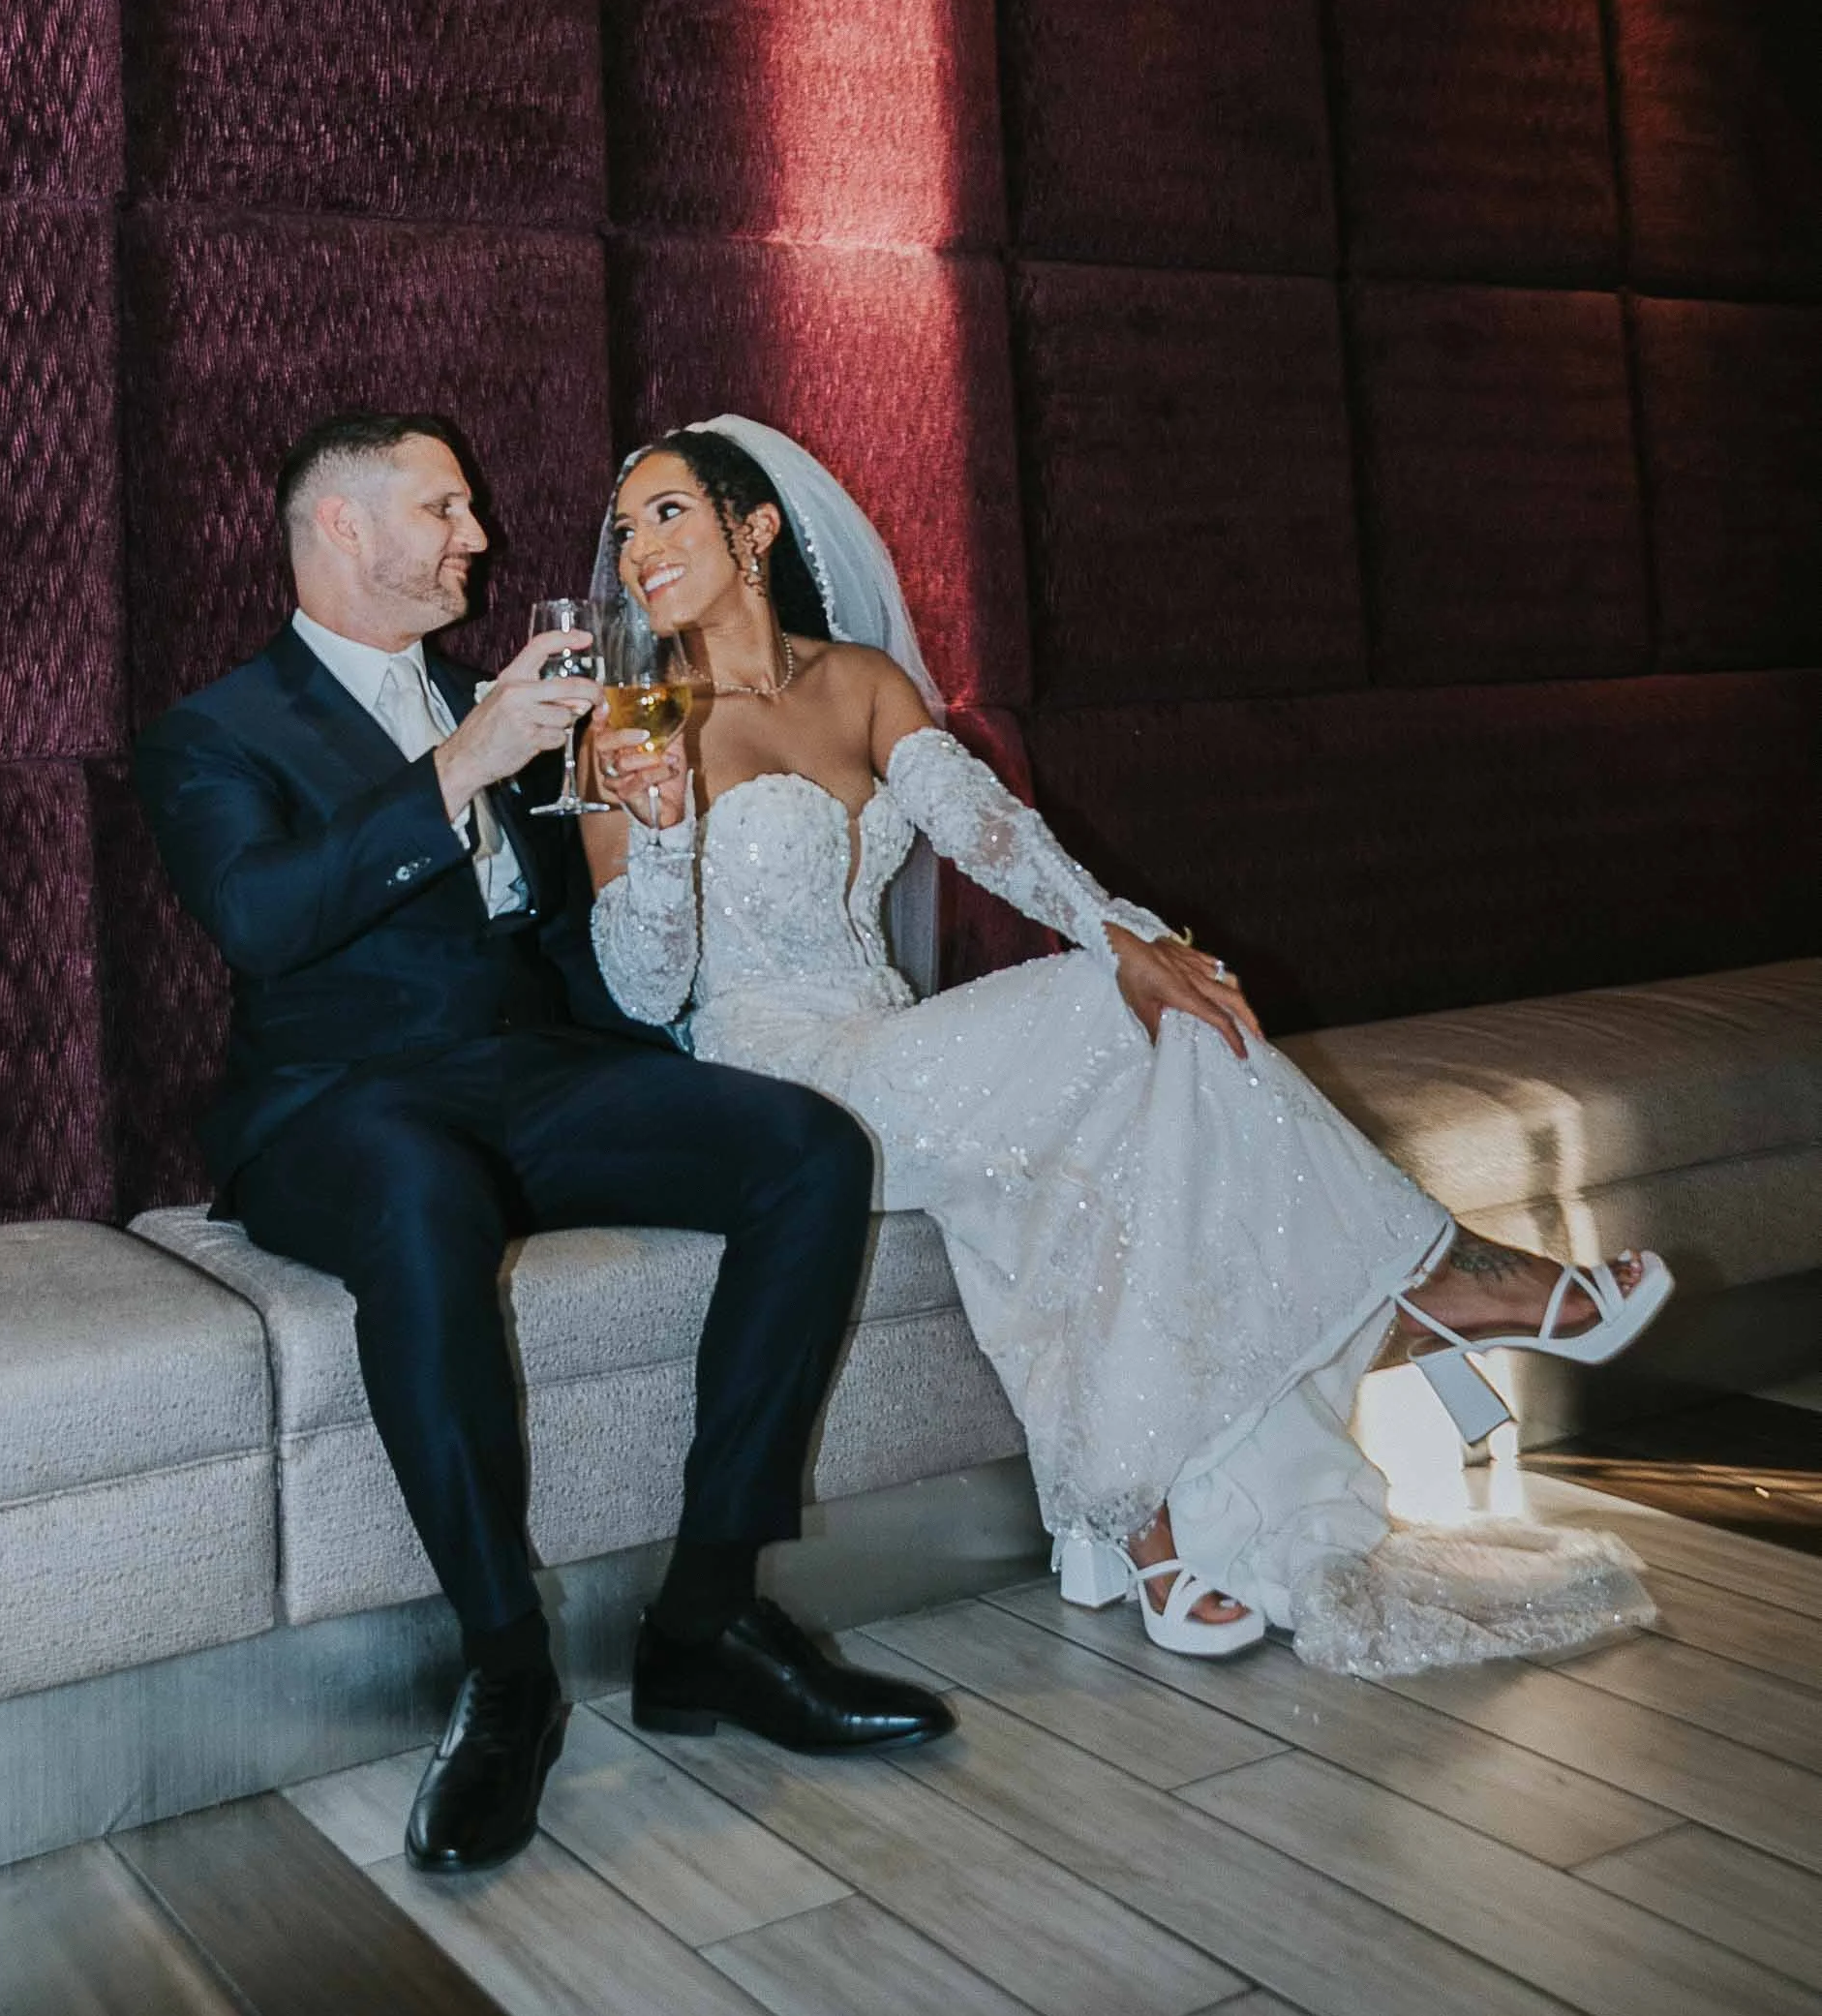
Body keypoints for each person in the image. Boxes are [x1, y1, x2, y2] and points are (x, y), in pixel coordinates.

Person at [581, 416, 1667, 1676]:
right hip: (772, 1079)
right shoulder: (631, 724)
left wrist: (1130, 940)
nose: (637, 549)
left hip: (891, 1037)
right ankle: (1431, 1276)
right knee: (1119, 1011)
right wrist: (660, 828)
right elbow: (641, 989)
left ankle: (1151, 1532)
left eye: (667, 513)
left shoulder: (860, 684)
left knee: (1152, 1061)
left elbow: (989, 831)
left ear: (756, 528)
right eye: (624, 529)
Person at [135, 410, 953, 1878]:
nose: (480, 537)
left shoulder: (505, 697)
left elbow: (572, 936)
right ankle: (507, 1668)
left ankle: (708, 1618)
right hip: (337, 1102)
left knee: (806, 1150)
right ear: (342, 528)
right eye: (443, 510)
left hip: (534, 1072)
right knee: (423, 1200)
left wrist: (649, 844)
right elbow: (259, 918)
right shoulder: (218, 729)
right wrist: (463, 761)